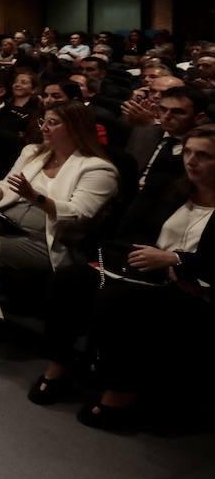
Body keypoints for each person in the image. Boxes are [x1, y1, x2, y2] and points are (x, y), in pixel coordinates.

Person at [36, 124, 215, 429]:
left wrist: (176, 260)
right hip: (141, 270)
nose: (191, 161)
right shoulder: (167, 186)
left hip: (195, 287)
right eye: (187, 152)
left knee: (120, 299)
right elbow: (128, 230)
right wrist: (147, 259)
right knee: (70, 279)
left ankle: (120, 394)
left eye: (204, 155)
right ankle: (59, 366)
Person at [0, 102, 117, 360]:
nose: (44, 128)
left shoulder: (98, 168)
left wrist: (36, 197)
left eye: (52, 123)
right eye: (43, 122)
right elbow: (4, 192)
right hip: (9, 221)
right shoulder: (32, 152)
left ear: (75, 128)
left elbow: (78, 214)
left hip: (48, 239)